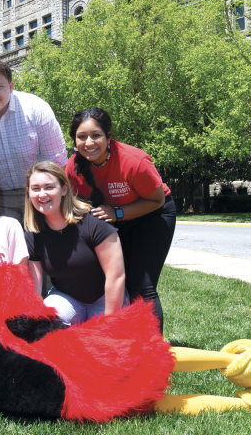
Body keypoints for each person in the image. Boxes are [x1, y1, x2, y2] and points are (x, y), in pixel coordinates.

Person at [65, 108, 176, 333]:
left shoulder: (134, 161)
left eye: (96, 135)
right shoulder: (73, 167)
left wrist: (118, 213)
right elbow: (76, 203)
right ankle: (127, 343)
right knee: (119, 283)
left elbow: (156, 201)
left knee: (142, 287)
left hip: (153, 215)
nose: (89, 142)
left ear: (108, 136)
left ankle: (152, 354)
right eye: (82, 137)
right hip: (115, 220)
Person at [0, 59, 67, 223]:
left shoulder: (37, 109)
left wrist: (50, 195)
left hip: (39, 192)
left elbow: (56, 160)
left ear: (11, 86)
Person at [24, 161, 128, 325]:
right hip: (66, 298)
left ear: (64, 189)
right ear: (28, 192)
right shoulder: (33, 233)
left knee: (104, 345)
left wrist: (110, 325)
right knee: (47, 330)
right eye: (36, 188)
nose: (42, 194)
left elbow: (116, 276)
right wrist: (34, 324)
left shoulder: (94, 222)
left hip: (105, 298)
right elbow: (34, 288)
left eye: (49, 187)